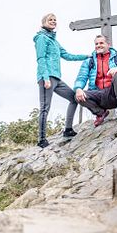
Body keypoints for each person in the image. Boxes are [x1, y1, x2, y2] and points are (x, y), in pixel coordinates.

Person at [34, 13, 89, 148]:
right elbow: (41, 59)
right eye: (50, 20)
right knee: (45, 108)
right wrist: (45, 78)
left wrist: (86, 56)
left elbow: (67, 55)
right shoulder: (41, 38)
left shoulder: (54, 41)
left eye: (54, 20)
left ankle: (68, 130)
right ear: (43, 22)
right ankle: (41, 140)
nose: (53, 22)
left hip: (57, 79)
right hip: (46, 78)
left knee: (74, 98)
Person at [74, 34, 117, 126]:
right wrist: (78, 88)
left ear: (108, 45)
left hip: (114, 94)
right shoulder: (89, 62)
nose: (98, 45)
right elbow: (81, 77)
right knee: (77, 96)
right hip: (98, 95)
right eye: (96, 44)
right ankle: (100, 113)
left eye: (101, 43)